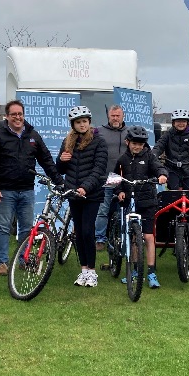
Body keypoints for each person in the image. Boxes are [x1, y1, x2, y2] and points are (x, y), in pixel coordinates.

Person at [0, 100, 63, 276]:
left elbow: (46, 160)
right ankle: (2, 263)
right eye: (14, 114)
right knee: (3, 227)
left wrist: (58, 181)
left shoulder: (33, 135)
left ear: (23, 115)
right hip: (5, 191)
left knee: (26, 228)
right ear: (7, 116)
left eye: (20, 114)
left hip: (27, 190)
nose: (17, 117)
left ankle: (23, 260)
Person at [56, 106, 108, 287]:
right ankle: (83, 270)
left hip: (91, 194)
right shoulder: (67, 141)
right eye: (78, 122)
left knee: (87, 231)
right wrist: (60, 160)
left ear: (89, 122)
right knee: (78, 232)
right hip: (73, 193)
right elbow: (61, 169)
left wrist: (85, 187)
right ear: (73, 124)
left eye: (84, 121)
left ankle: (92, 272)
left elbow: (99, 168)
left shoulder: (98, 141)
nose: (82, 124)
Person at [112, 125, 168, 288]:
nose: (137, 146)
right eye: (134, 143)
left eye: (141, 144)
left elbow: (159, 167)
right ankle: (136, 271)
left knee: (148, 237)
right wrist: (120, 191)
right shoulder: (122, 160)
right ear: (127, 142)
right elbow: (117, 179)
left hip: (147, 201)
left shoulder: (149, 156)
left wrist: (162, 175)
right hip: (130, 201)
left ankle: (151, 272)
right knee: (135, 238)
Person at [94, 104, 128, 251]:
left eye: (118, 115)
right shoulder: (99, 132)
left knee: (123, 210)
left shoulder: (130, 132)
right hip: (106, 176)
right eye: (112, 116)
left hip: (124, 177)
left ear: (123, 116)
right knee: (103, 209)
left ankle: (121, 237)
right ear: (108, 116)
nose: (115, 118)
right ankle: (100, 238)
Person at [153, 109, 189, 190]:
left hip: (187, 172)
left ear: (187, 123)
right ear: (173, 123)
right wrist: (154, 154)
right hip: (172, 170)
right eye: (178, 121)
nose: (181, 124)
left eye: (183, 121)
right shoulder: (168, 135)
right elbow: (159, 146)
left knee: (188, 196)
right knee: (174, 194)